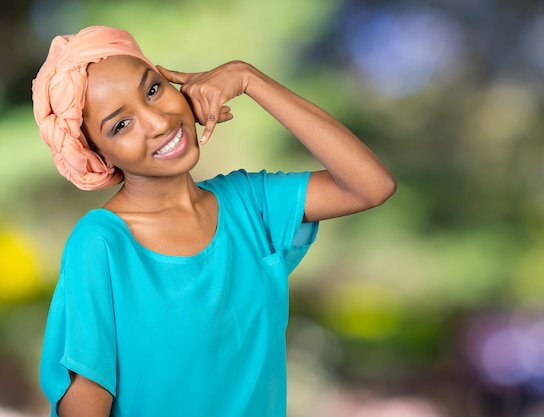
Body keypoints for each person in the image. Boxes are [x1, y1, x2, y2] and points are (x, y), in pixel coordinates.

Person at [32, 26, 396, 417]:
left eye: (153, 90)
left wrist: (247, 78)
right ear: (100, 157)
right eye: (121, 125)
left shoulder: (250, 204)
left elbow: (371, 185)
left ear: (176, 84)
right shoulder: (101, 244)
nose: (157, 122)